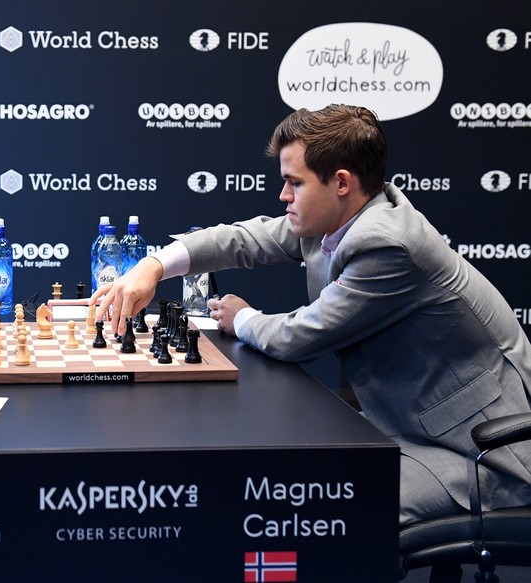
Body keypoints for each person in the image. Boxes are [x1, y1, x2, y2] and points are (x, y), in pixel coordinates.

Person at [93, 104, 531, 525]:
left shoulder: (386, 243)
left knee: (319, 510)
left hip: (477, 453)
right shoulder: (341, 216)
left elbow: (301, 336)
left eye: (294, 183)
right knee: (287, 480)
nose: (283, 195)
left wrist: (242, 317)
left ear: (341, 182)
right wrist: (152, 266)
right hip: (404, 425)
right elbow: (245, 239)